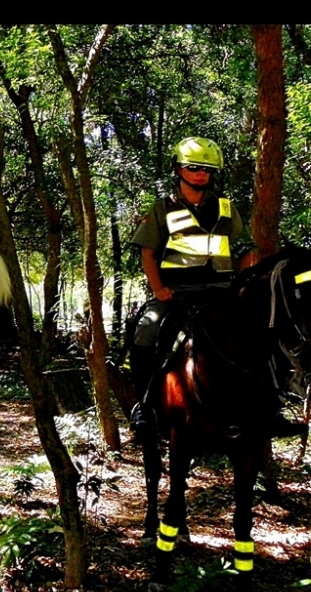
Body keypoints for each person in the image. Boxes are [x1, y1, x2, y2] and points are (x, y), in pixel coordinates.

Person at [128, 136, 253, 434]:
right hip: (176, 294)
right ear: (179, 170)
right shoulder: (162, 208)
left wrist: (240, 287)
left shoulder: (226, 208)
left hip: (221, 292)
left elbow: (246, 248)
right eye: (194, 167)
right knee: (145, 330)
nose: (201, 174)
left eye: (207, 170)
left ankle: (269, 405)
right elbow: (147, 251)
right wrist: (159, 289)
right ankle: (144, 405)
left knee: (258, 331)